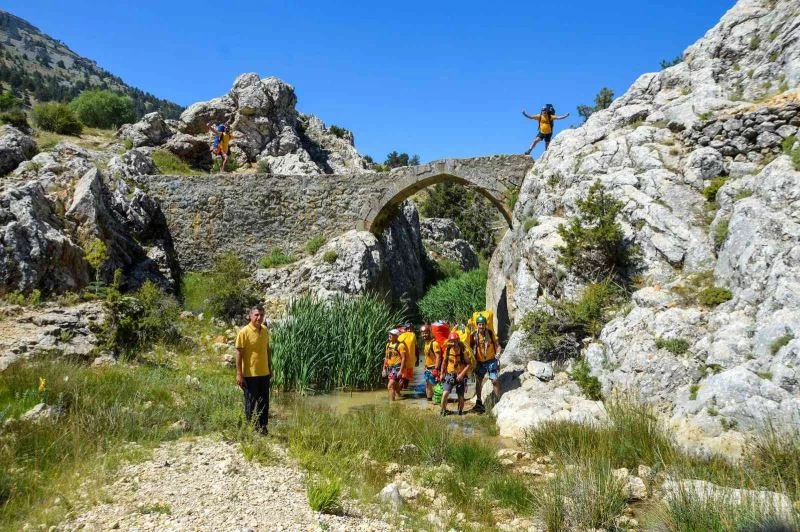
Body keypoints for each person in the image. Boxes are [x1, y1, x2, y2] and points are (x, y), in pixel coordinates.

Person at [235, 305, 272, 434]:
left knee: (264, 402)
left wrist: (270, 368)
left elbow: (267, 350)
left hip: (264, 373)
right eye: (256, 315)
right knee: (250, 403)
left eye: (261, 315)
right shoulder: (244, 332)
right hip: (250, 375)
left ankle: (263, 428)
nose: (259, 317)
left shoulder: (265, 330)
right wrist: (239, 374)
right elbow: (238, 353)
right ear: (250, 316)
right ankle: (251, 428)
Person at [470, 315, 502, 413]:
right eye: (479, 324)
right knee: (479, 381)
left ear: (485, 325)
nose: (481, 326)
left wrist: (498, 354)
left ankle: (498, 401)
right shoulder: (473, 335)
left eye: (483, 324)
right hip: (480, 362)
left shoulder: (491, 333)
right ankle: (479, 402)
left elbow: (498, 346)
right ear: (477, 325)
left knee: (495, 380)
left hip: (491, 361)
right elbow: (469, 348)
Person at [439, 332, 471, 416]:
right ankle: (443, 410)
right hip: (450, 375)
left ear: (458, 340)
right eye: (451, 341)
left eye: (454, 341)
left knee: (461, 397)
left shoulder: (463, 351)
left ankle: (460, 411)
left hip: (460, 375)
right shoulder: (448, 350)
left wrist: (461, 375)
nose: (453, 343)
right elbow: (444, 362)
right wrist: (442, 373)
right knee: (445, 394)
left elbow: (468, 364)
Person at [383, 328, 408, 401]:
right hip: (390, 368)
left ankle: (392, 403)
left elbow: (404, 358)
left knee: (390, 386)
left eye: (392, 334)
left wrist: (401, 370)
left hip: (397, 368)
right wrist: (384, 368)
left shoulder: (401, 345)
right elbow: (386, 357)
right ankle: (399, 396)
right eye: (390, 334)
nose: (390, 335)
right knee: (395, 384)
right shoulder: (388, 344)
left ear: (396, 336)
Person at [420, 324, 443, 402]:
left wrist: (436, 369)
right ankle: (429, 401)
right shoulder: (426, 343)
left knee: (436, 387)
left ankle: (438, 402)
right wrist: (425, 366)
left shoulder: (434, 343)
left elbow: (438, 357)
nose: (424, 335)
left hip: (434, 368)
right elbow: (427, 356)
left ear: (430, 333)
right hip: (428, 369)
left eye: (426, 333)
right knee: (428, 385)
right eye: (422, 333)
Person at [397, 322, 417, 391]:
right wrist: (417, 360)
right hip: (408, 361)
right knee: (404, 379)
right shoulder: (413, 335)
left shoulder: (400, 336)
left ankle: (401, 393)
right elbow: (416, 348)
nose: (409, 330)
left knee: (404, 379)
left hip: (403, 361)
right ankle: (398, 393)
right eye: (409, 329)